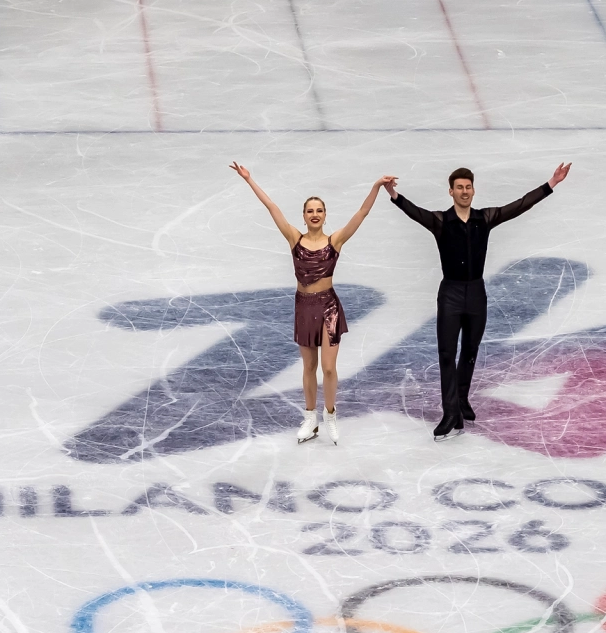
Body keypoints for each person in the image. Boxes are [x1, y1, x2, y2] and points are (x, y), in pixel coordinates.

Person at [383, 163, 571, 440]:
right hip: (450, 294)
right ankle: (450, 413)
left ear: (473, 190)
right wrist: (393, 194)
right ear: (451, 191)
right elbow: (416, 213)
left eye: (468, 187)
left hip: (476, 294)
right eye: (459, 187)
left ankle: (460, 400)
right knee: (447, 354)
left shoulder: (485, 218)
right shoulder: (440, 221)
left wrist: (551, 183)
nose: (464, 191)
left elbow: (519, 206)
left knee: (469, 352)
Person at [231, 162, 396, 445]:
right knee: (308, 367)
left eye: (319, 210)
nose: (315, 214)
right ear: (304, 216)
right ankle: (310, 418)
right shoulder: (294, 238)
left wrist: (375, 188)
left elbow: (362, 213)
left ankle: (330, 414)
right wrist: (249, 179)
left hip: (328, 307)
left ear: (325, 214)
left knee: (328, 368)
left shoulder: (336, 241)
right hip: (304, 307)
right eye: (310, 210)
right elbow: (272, 207)